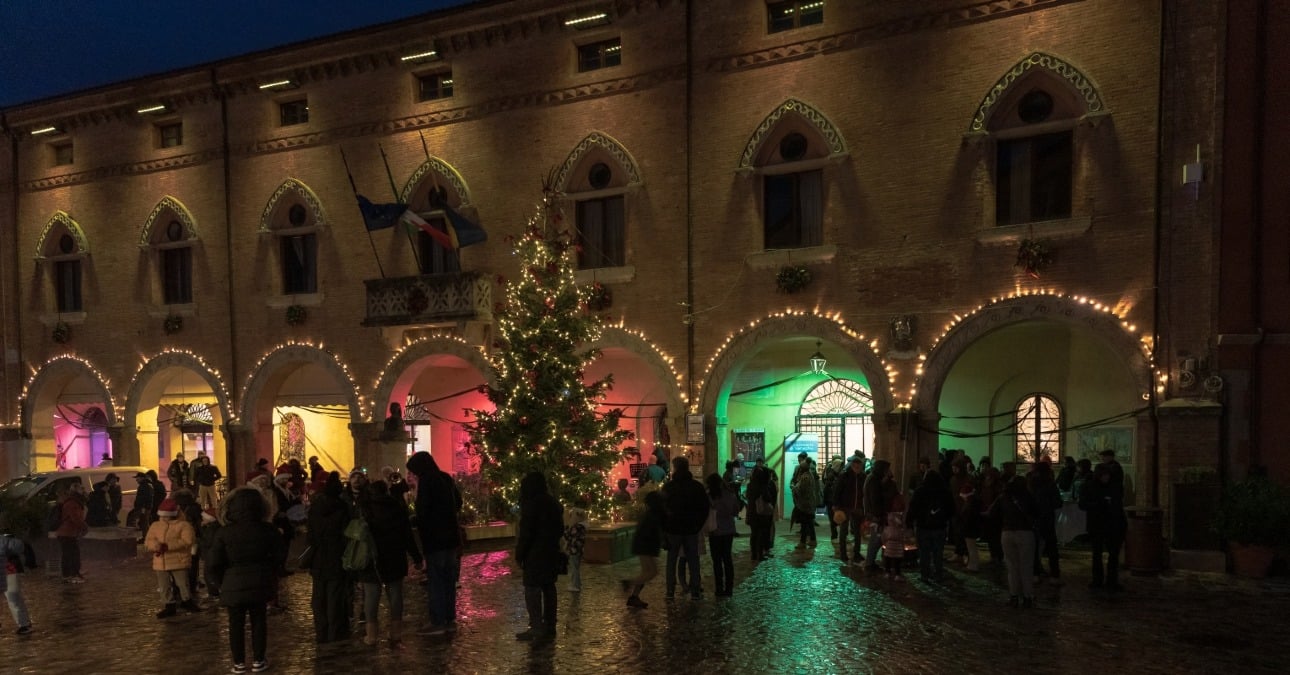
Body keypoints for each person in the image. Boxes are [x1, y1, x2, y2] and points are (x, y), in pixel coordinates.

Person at [208, 486, 284, 674]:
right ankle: (258, 659)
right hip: (260, 580)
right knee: (259, 622)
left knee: (236, 624)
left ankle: (239, 662)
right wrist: (271, 574)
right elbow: (279, 556)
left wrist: (220, 584)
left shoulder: (224, 532)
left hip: (232, 583)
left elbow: (213, 563)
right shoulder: (268, 529)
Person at [357, 480, 424, 648]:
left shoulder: (365, 509)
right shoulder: (396, 507)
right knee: (395, 595)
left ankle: (371, 635)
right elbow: (407, 535)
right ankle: (395, 634)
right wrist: (416, 557)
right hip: (394, 555)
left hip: (371, 558)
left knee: (371, 596)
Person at [407, 451, 463, 636]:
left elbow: (423, 511)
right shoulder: (445, 479)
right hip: (451, 538)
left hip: (435, 539)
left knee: (436, 580)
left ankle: (437, 621)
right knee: (448, 579)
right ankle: (449, 619)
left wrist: (414, 519)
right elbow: (458, 502)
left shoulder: (427, 482)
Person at [515, 471, 563, 641]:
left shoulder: (531, 505)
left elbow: (526, 534)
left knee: (532, 589)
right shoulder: (553, 503)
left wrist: (520, 554)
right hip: (551, 551)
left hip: (535, 554)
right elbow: (560, 529)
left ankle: (536, 627)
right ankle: (550, 625)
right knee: (549, 588)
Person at [305, 472, 350, 644]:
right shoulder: (341, 508)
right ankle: (335, 631)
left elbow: (310, 534)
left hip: (318, 557)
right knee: (334, 596)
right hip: (336, 556)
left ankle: (321, 631)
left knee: (319, 596)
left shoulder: (316, 508)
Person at [661, 456, 711, 600]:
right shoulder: (696, 486)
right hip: (691, 529)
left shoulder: (669, 487)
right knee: (693, 560)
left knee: (672, 560)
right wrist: (698, 526)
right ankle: (695, 588)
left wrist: (665, 528)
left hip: (673, 529)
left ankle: (670, 590)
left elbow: (662, 509)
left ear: (675, 468)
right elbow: (704, 508)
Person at [145, 498, 201, 618]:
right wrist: (155, 546)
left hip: (178, 560)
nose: (164, 518)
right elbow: (149, 540)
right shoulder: (156, 525)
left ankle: (187, 601)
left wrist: (168, 546)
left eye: (167, 516)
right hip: (161, 561)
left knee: (182, 583)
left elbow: (188, 541)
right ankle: (169, 605)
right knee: (164, 585)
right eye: (163, 516)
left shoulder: (184, 525)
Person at [992, 477, 1038, 608]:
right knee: (1026, 566)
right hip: (1025, 532)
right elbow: (1037, 512)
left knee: (1012, 567)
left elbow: (993, 513)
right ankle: (1028, 597)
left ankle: (1014, 596)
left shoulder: (1003, 497)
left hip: (1007, 532)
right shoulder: (1028, 496)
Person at [1081, 464, 1127, 592]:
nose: (1106, 478)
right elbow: (1082, 504)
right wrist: (1098, 503)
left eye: (1107, 475)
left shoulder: (1115, 486)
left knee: (1113, 554)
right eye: (1103, 475)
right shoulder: (1089, 486)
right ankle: (1097, 580)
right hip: (1097, 524)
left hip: (1113, 524)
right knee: (1097, 553)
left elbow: (1118, 503)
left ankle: (1112, 581)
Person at [907, 469, 955, 583]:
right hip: (940, 527)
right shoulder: (945, 492)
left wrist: (909, 523)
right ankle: (938, 574)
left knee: (924, 553)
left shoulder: (920, 491)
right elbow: (951, 509)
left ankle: (925, 575)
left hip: (923, 527)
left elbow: (913, 508)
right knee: (938, 553)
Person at [623, 491, 663, 608]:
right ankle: (629, 583)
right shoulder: (654, 515)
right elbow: (653, 532)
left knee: (645, 572)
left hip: (643, 545)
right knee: (652, 572)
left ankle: (634, 597)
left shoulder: (649, 514)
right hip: (645, 546)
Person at [706, 473, 738, 597]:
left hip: (714, 530)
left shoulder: (709, 496)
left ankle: (719, 588)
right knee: (727, 559)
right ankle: (729, 588)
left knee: (717, 561)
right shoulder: (730, 495)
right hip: (728, 530)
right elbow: (735, 511)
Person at [863, 460, 896, 572]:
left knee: (876, 540)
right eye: (886, 469)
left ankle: (870, 563)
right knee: (875, 540)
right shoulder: (874, 480)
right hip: (875, 515)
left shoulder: (873, 478)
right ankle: (869, 564)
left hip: (873, 514)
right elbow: (875, 499)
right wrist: (879, 515)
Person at [832, 455, 865, 566]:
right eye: (856, 465)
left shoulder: (862, 476)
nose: (857, 467)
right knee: (844, 531)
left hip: (857, 508)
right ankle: (843, 554)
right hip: (845, 507)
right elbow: (837, 491)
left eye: (859, 466)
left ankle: (856, 554)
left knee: (857, 532)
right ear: (852, 465)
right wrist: (836, 505)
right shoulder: (845, 475)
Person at [1, 531, 36, 635]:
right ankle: (25, 624)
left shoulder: (4, 541)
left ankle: (24, 625)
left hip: (9, 572)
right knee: (14, 598)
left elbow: (23, 546)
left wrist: (30, 563)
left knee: (13, 598)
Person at [54, 482, 88, 584]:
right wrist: (84, 527)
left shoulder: (74, 501)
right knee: (72, 554)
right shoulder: (73, 503)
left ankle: (68, 574)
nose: (83, 490)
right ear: (76, 491)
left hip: (67, 532)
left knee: (68, 554)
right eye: (81, 489)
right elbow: (75, 518)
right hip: (67, 533)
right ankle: (73, 574)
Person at [791, 457, 821, 549]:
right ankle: (813, 540)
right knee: (810, 523)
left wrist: (793, 487)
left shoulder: (805, 477)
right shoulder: (810, 475)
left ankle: (802, 542)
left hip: (805, 504)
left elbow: (801, 490)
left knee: (804, 524)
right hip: (809, 503)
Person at [562, 500, 588, 592]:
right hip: (579, 550)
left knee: (574, 568)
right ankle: (577, 583)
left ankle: (575, 585)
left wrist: (565, 528)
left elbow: (568, 536)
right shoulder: (582, 527)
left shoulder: (576, 527)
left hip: (574, 550)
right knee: (576, 567)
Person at [882, 499, 908, 581]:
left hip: (889, 547)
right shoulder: (901, 530)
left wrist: (884, 543)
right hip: (898, 548)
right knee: (897, 562)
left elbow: (883, 537)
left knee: (888, 560)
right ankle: (897, 574)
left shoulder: (888, 529)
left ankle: (887, 573)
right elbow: (903, 538)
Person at [821, 456, 844, 543]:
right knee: (833, 519)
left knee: (840, 519)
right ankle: (834, 536)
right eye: (840, 465)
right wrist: (826, 501)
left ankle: (840, 536)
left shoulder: (839, 475)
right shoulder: (831, 477)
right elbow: (827, 490)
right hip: (831, 502)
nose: (841, 467)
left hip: (837, 501)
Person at [133, 472, 155, 541]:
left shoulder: (145, 486)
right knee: (143, 522)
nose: (136, 480)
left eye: (137, 478)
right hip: (144, 507)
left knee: (144, 523)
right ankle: (145, 537)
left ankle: (146, 538)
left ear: (142, 478)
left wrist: (143, 507)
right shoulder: (146, 485)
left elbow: (145, 498)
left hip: (144, 508)